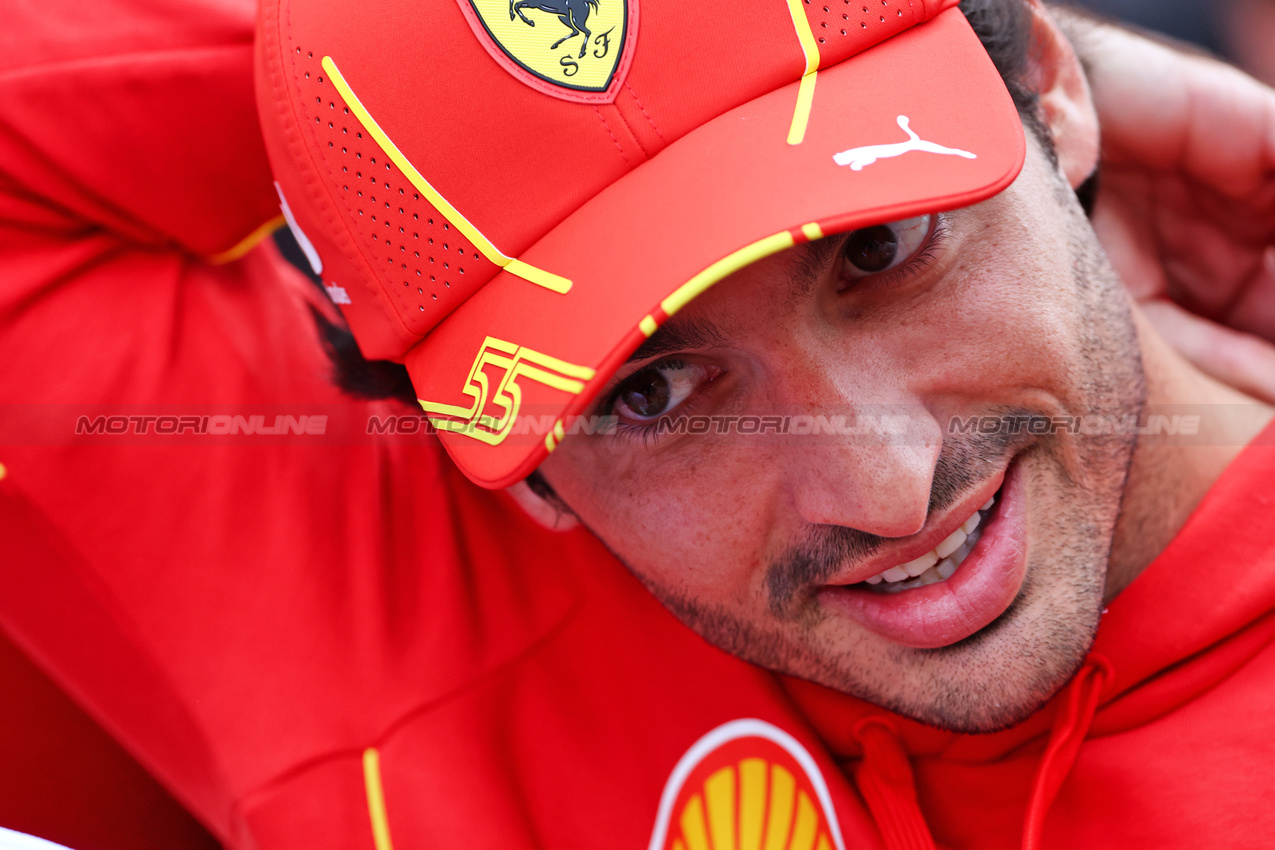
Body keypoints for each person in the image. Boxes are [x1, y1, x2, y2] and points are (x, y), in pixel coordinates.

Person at [1, 2, 1273, 850]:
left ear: (1046, 94)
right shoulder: (399, 600)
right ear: (504, 461)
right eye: (645, 389)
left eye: (882, 245)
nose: (887, 485)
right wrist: (378, 83)